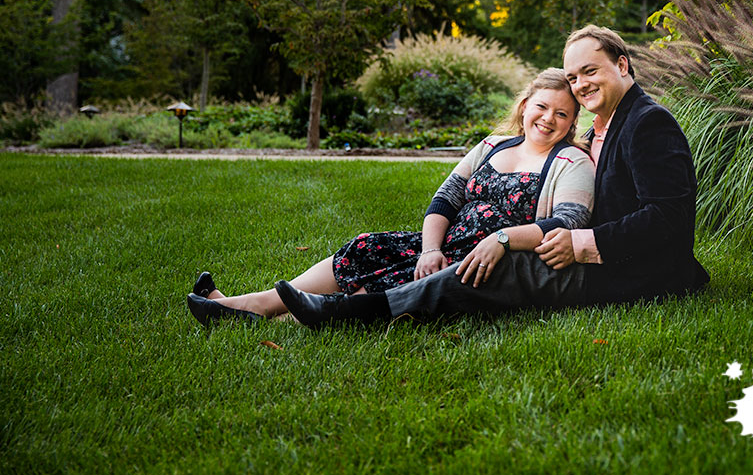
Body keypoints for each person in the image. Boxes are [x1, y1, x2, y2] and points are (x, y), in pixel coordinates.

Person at [274, 25, 710, 328]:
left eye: (589, 72)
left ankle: (353, 313)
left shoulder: (648, 121)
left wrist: (580, 241)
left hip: (638, 272)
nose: (580, 85)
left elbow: (669, 216)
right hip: (588, 253)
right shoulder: (604, 125)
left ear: (623, 65)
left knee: (500, 266)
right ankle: (287, 303)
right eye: (573, 76)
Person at [186, 68, 594, 328]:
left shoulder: (571, 161)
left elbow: (569, 223)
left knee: (383, 285)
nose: (548, 119)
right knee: (365, 246)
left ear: (573, 121)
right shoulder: (493, 144)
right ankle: (250, 306)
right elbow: (444, 200)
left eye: (562, 114)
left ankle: (252, 309)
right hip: (444, 248)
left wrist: (501, 239)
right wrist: (429, 249)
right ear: (525, 106)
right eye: (542, 107)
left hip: (482, 264)